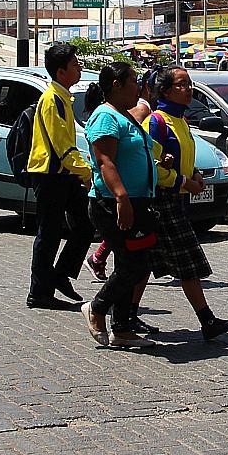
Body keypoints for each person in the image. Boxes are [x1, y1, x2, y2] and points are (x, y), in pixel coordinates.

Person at [131, 68, 228, 341]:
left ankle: (127, 315)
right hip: (161, 200)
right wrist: (184, 182)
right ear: (166, 91)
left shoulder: (180, 120)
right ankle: (207, 320)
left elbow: (181, 158)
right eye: (182, 85)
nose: (189, 89)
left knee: (143, 262)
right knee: (188, 260)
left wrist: (193, 175)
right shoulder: (156, 121)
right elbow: (151, 166)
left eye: (190, 84)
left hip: (176, 198)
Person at [82, 61, 156, 348]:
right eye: (134, 80)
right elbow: (105, 161)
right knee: (131, 265)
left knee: (138, 262)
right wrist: (121, 198)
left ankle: (122, 328)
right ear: (116, 85)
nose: (138, 86)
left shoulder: (125, 115)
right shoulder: (105, 116)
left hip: (138, 201)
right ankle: (98, 307)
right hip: (112, 203)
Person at [26, 41, 93, 310]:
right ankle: (39, 292)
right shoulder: (52, 100)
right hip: (50, 175)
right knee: (49, 233)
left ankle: (59, 276)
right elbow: (61, 147)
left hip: (65, 174)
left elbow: (68, 145)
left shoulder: (64, 97)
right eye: (75, 65)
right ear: (61, 71)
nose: (79, 69)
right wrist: (87, 171)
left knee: (84, 226)